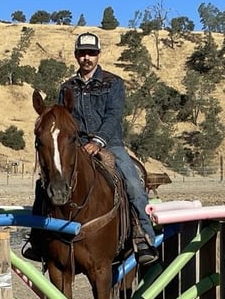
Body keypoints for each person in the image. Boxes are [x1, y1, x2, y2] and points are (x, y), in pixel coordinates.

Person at [26, 32, 159, 266]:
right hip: (76, 145)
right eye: (82, 53)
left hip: (110, 144)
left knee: (132, 181)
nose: (87, 57)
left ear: (98, 55)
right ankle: (38, 239)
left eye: (91, 53)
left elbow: (113, 116)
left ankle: (143, 236)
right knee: (45, 181)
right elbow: (62, 120)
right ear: (76, 55)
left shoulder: (113, 83)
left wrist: (98, 141)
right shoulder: (67, 87)